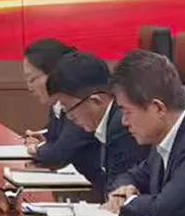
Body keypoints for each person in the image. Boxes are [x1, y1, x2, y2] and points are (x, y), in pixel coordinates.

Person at [105, 50, 185, 216]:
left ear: (158, 108)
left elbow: (166, 211)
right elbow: (132, 175)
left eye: (127, 112)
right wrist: (123, 190)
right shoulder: (167, 137)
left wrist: (127, 202)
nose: (124, 122)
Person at [46, 52, 148, 196]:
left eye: (68, 108)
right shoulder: (107, 121)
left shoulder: (122, 127)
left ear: (95, 101)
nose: (69, 117)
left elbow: (118, 194)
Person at [21, 39, 99, 175]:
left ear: (54, 75)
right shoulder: (58, 103)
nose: (30, 88)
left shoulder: (79, 102)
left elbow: (59, 153)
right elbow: (55, 136)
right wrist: (43, 138)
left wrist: (36, 150)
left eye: (32, 79)